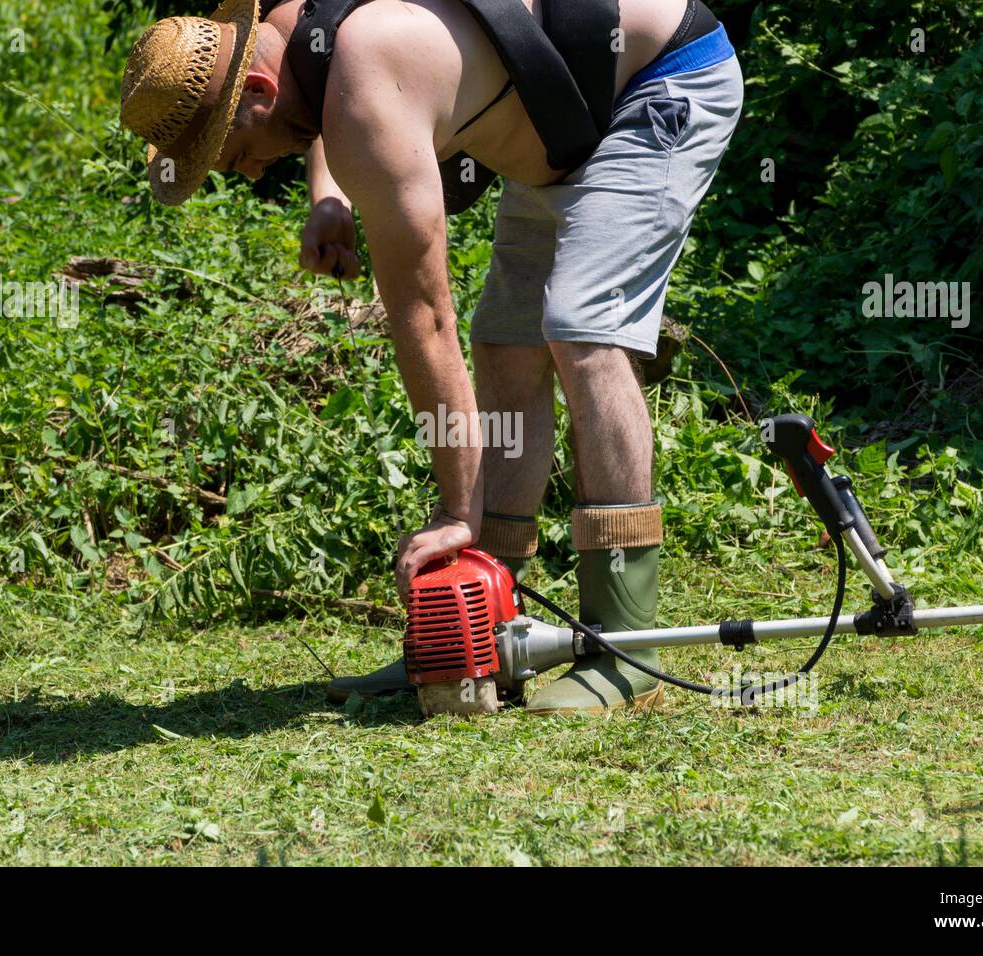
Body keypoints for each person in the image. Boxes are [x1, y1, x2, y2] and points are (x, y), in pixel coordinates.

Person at [119, 0, 743, 713]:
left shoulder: (360, 92)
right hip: (562, 123)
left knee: (583, 327)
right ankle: (485, 624)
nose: (254, 172)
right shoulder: (297, 34)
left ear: (257, 92)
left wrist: (455, 507)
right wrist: (328, 197)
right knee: (505, 341)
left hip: (661, 82)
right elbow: (332, 90)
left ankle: (628, 645)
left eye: (234, 153)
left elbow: (424, 318)